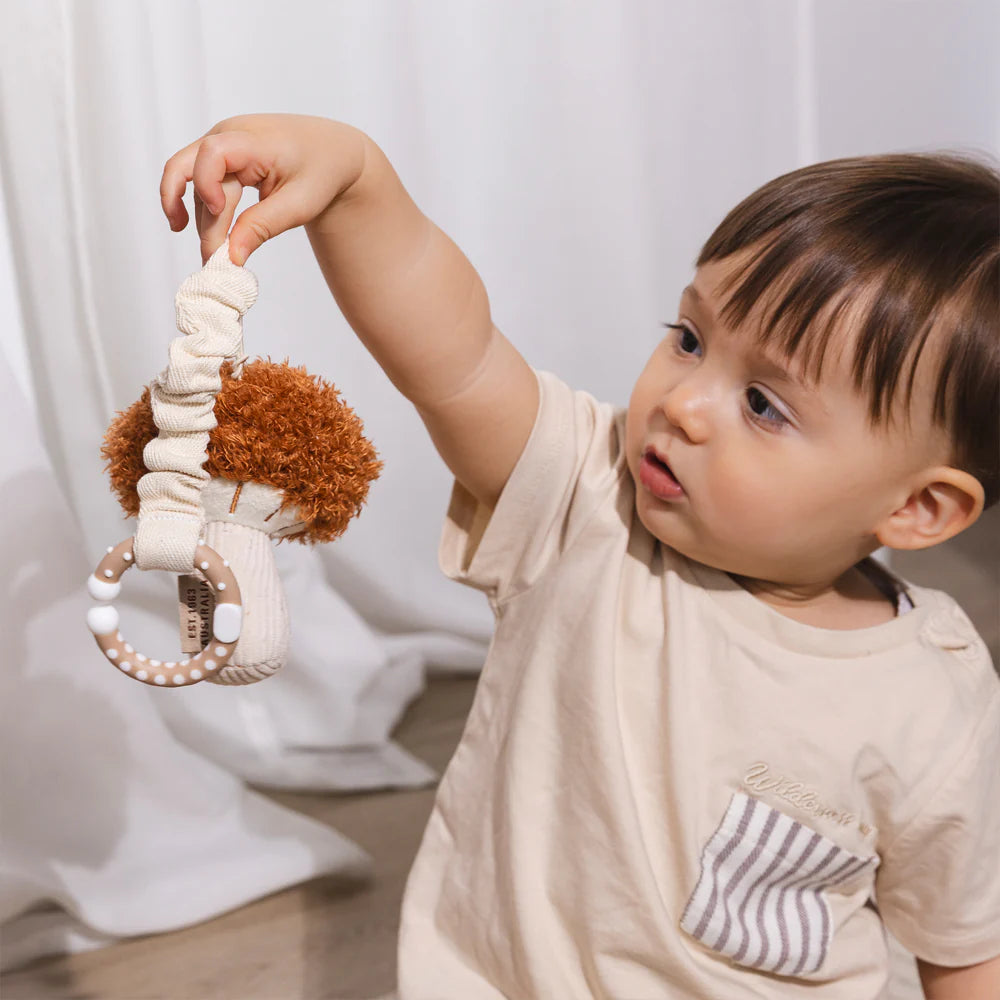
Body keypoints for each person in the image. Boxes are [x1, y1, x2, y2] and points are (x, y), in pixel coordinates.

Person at [161, 114, 1000, 999]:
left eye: (763, 404)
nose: (683, 404)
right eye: (689, 339)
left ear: (918, 508)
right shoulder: (589, 500)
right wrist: (358, 184)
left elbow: (967, 944)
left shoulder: (934, 709)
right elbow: (453, 353)